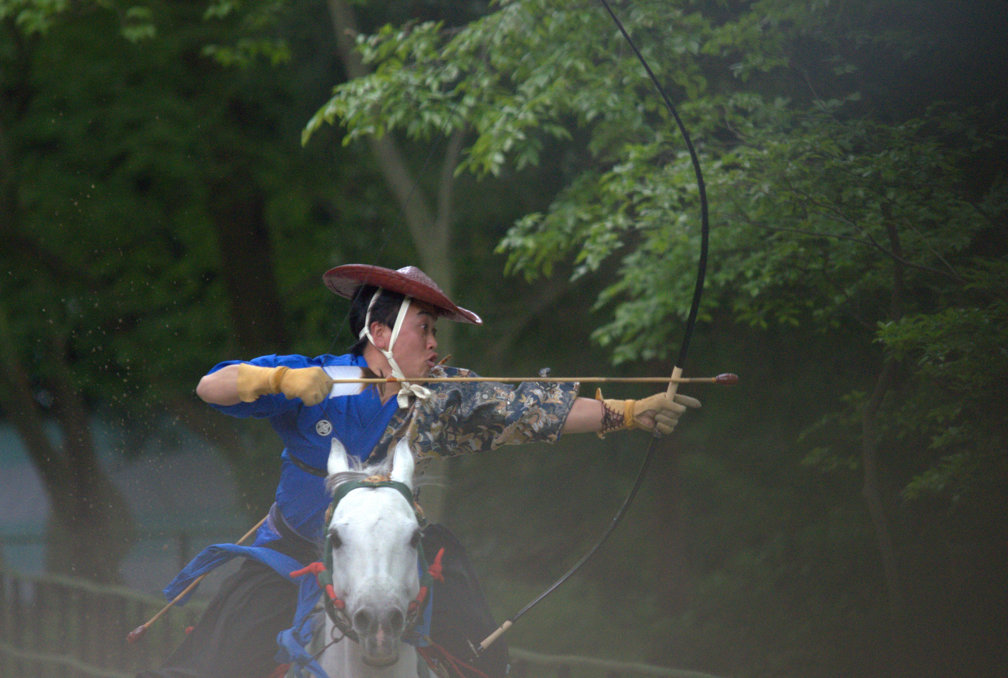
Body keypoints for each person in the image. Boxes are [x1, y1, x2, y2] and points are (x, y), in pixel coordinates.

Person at [140, 264, 700, 678]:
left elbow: (530, 407)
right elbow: (211, 386)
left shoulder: (441, 396)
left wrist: (625, 412)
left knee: (480, 652)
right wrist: (277, 382)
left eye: (436, 335)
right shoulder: (316, 380)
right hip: (291, 556)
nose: (435, 346)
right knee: (219, 660)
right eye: (424, 331)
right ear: (380, 334)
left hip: (401, 558)